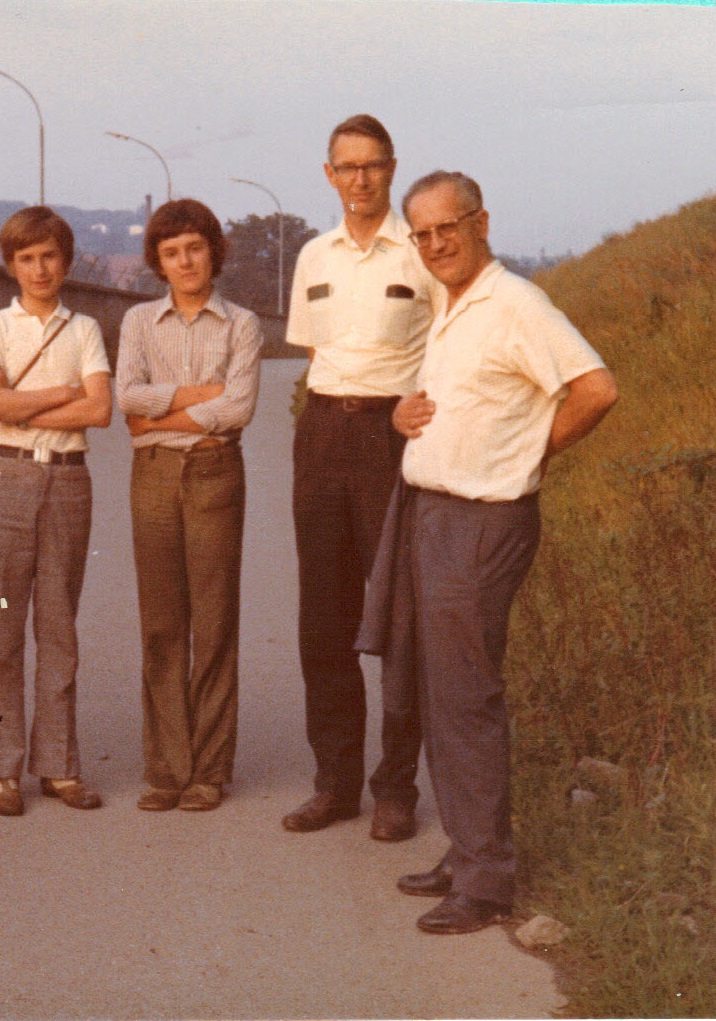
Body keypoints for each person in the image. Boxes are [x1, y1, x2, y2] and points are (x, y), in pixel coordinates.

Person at [363, 170, 618, 934]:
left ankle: (484, 884)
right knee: (438, 693)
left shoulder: (516, 304)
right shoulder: (452, 304)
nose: (435, 243)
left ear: (480, 223)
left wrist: (526, 455)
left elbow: (596, 389)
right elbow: (466, 403)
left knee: (465, 699)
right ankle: (467, 849)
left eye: (448, 227)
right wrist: (405, 417)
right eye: (422, 233)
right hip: (430, 513)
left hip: (480, 521)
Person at [283, 115, 442, 840]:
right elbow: (313, 355)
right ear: (329, 175)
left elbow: (451, 344)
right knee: (324, 618)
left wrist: (412, 404)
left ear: (392, 168)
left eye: (372, 165)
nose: (360, 179)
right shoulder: (313, 256)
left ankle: (396, 788)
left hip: (393, 437)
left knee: (400, 618)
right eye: (346, 167)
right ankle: (335, 783)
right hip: (322, 432)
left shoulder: (419, 253)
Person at [116, 199, 262, 812]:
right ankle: (167, 768)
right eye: (171, 252)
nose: (185, 262)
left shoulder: (241, 324)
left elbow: (238, 408)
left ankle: (209, 771)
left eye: (195, 248)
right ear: (158, 262)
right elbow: (127, 396)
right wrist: (197, 396)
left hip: (213, 472)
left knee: (214, 620)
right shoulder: (138, 322)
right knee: (161, 623)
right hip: (152, 477)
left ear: (213, 252)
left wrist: (159, 417)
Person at [0, 206, 112, 817]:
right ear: (10, 266)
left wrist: (17, 403)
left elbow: (100, 410)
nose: (39, 268)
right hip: (5, 480)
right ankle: (0, 768)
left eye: (49, 256)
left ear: (66, 261)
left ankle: (58, 765)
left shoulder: (85, 330)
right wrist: (62, 392)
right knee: (1, 627)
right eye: (25, 258)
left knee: (58, 627)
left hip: (67, 483)